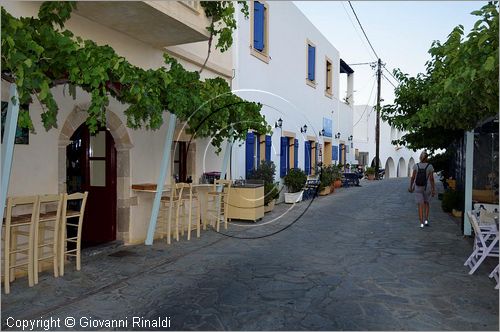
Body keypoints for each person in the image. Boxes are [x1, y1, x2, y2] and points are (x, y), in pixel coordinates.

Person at [409, 151, 436, 228]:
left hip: (418, 187)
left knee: (420, 205)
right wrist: (433, 189)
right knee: (426, 203)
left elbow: (413, 178)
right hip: (427, 187)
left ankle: (421, 223)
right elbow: (431, 179)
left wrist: (411, 187)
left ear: (420, 157)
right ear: (427, 158)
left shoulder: (416, 166)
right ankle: (426, 220)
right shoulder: (430, 166)